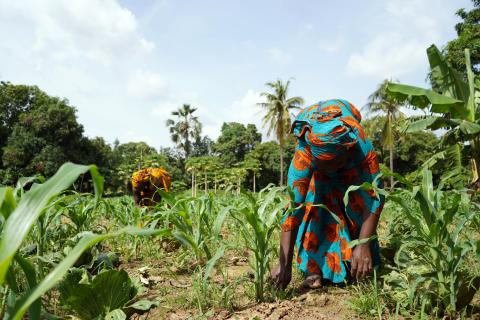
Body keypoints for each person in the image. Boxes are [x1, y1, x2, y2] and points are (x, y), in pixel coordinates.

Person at [272, 99, 384, 289]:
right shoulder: (304, 154)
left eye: (336, 164)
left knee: (356, 201)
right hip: (319, 166)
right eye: (326, 166)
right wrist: (284, 264)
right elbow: (293, 211)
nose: (332, 171)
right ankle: (314, 267)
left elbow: (376, 196)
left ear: (347, 152)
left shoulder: (359, 144)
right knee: (314, 203)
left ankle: (358, 258)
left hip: (350, 168)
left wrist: (363, 244)